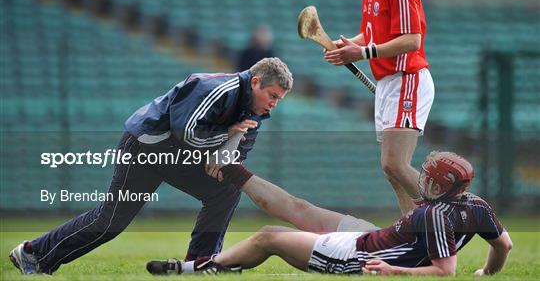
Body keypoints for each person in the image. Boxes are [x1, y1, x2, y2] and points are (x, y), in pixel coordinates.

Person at [9, 57, 293, 275]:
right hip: (145, 146)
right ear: (255, 82)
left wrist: (225, 160)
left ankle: (198, 265)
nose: (274, 104)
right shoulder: (215, 88)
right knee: (110, 222)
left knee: (226, 189)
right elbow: (188, 132)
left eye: (278, 100)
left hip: (175, 154)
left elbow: (236, 154)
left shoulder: (253, 111)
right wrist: (229, 134)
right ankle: (33, 253)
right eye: (272, 96)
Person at [148, 151, 512, 277]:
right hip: (369, 237)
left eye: (432, 178)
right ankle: (234, 170)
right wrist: (485, 272)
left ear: (444, 186)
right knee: (298, 212)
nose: (425, 180)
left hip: (359, 256)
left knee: (269, 236)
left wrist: (391, 271)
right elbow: (504, 247)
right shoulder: (477, 205)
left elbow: (444, 271)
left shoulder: (434, 214)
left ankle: (190, 269)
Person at [323, 0, 435, 214]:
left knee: (394, 163)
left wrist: (362, 53)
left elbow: (412, 40)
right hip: (389, 82)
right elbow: (372, 34)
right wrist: (352, 45)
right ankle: (414, 238)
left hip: (407, 76)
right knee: (392, 171)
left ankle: (450, 216)